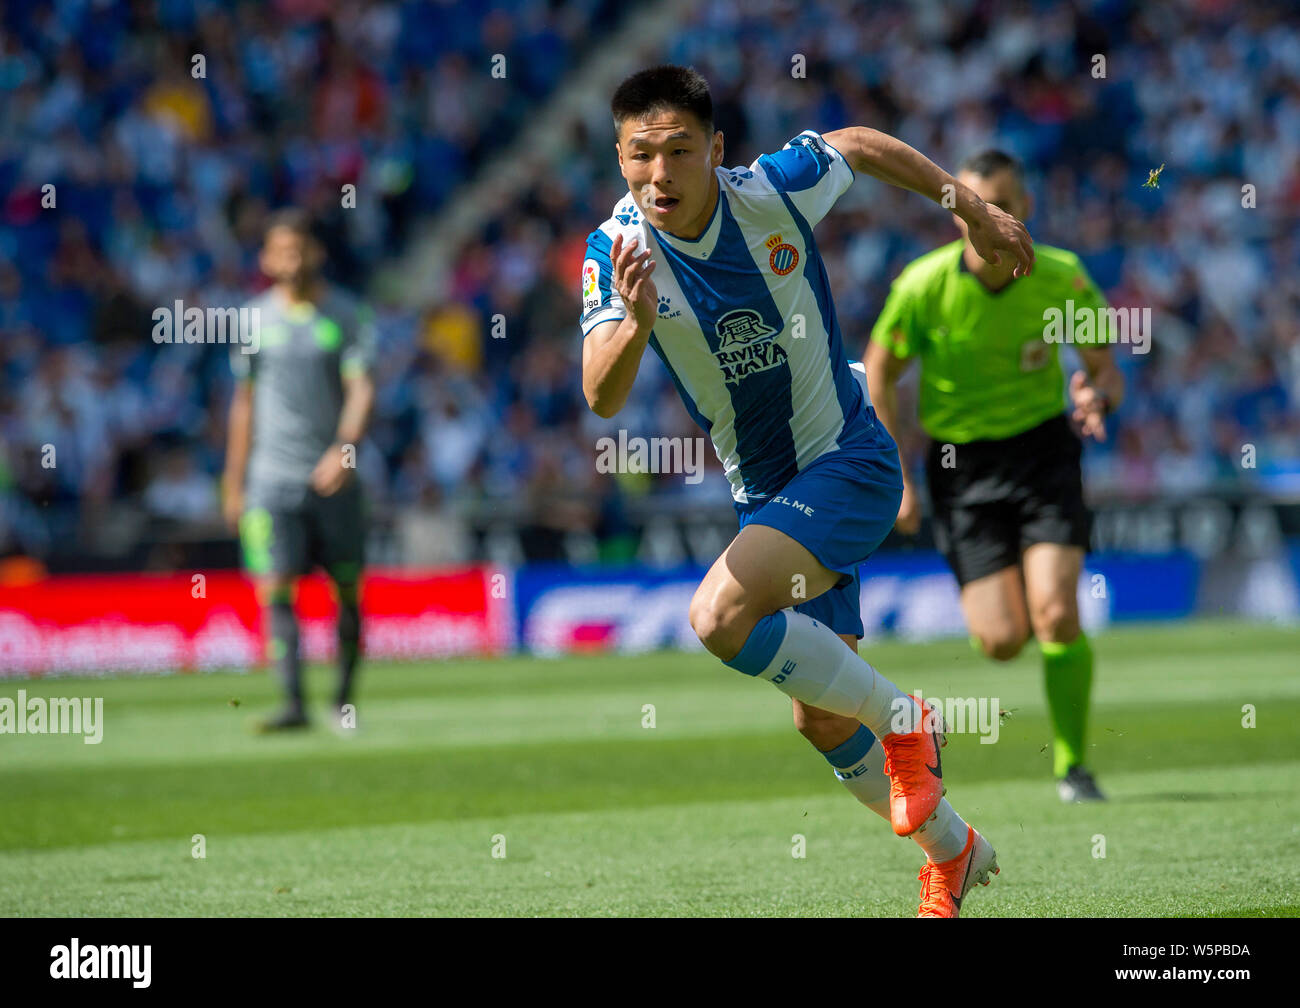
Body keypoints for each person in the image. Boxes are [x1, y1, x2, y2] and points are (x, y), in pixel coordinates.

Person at [580, 65, 1034, 916]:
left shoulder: (767, 195)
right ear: (619, 157)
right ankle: (956, 852)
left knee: (716, 617)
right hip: (768, 497)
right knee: (822, 720)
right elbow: (601, 395)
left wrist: (965, 204)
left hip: (850, 458)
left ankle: (908, 720)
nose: (659, 173)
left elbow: (858, 146)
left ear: (716, 151)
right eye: (640, 154)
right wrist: (637, 326)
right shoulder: (615, 252)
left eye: (680, 151)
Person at [864, 150, 1125, 802]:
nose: (988, 217)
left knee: (1058, 613)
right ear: (955, 214)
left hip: (1043, 457)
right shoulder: (922, 288)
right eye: (975, 205)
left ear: (1025, 211)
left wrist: (1097, 396)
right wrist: (898, 474)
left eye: (1002, 203)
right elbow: (879, 373)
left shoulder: (1061, 278)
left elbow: (1104, 368)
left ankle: (1073, 766)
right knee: (1003, 641)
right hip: (961, 470)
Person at [222, 209, 377, 733]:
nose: (289, 259)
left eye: (298, 249)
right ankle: (293, 704)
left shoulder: (346, 314)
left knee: (347, 589)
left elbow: (362, 388)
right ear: (265, 258)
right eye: (279, 250)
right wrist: (233, 481)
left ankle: (342, 700)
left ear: (316, 253)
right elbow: (242, 404)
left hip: (334, 476)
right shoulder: (251, 321)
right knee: (275, 587)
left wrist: (345, 448)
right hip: (271, 479)